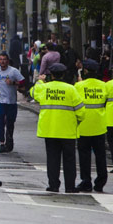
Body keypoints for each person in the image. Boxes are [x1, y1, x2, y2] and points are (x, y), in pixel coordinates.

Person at [30, 63, 85, 193]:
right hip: (68, 131)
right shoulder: (71, 89)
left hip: (49, 130)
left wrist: (40, 81)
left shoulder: (45, 88)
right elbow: (81, 111)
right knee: (69, 160)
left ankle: (53, 185)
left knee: (53, 159)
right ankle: (70, 187)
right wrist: (76, 122)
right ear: (64, 74)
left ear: (52, 75)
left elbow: (33, 92)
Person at [74, 59, 108, 192]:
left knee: (84, 155)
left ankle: (86, 181)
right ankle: (100, 181)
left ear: (85, 71)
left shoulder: (79, 86)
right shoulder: (103, 85)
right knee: (100, 155)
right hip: (99, 125)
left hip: (83, 126)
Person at [0, 52, 24, 153]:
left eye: (4, 59)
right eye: (1, 59)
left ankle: (10, 139)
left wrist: (13, 83)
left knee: (10, 122)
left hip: (11, 101)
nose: (3, 61)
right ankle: (2, 143)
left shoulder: (13, 71)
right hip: (0, 100)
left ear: (7, 61)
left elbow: (22, 82)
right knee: (0, 122)